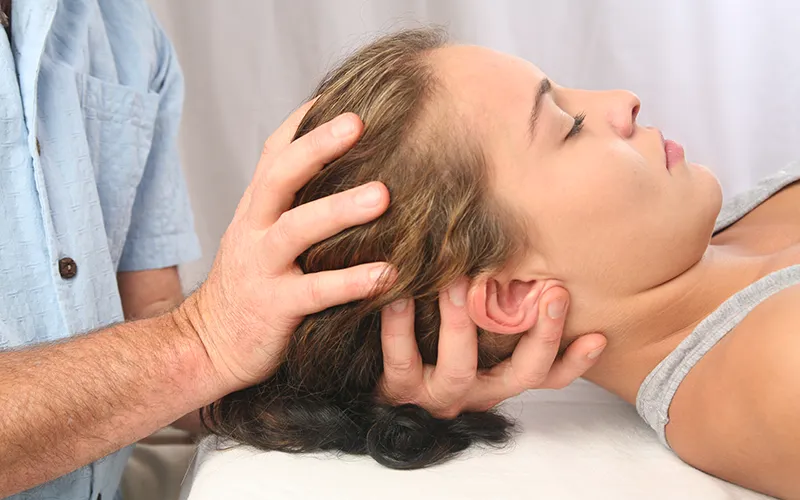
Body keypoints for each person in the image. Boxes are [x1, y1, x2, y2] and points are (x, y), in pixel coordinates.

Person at [0, 4, 607, 499]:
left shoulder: (121, 30)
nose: (624, 102)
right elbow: (181, 348)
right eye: (567, 127)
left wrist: (357, 390)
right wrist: (200, 340)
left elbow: (149, 338)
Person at [203, 28, 800, 499]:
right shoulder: (777, 372)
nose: (623, 102)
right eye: (569, 128)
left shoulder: (715, 233)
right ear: (512, 294)